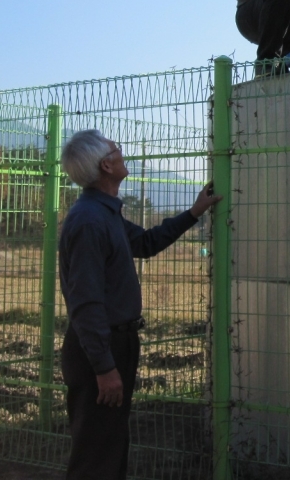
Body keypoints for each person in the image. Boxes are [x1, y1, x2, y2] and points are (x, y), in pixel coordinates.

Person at [58, 129, 222, 480]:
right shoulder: (89, 221)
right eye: (117, 150)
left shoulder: (105, 213)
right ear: (106, 164)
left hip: (115, 341)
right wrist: (104, 368)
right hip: (99, 348)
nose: (122, 153)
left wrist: (194, 212)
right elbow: (85, 303)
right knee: (95, 454)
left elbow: (146, 243)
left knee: (109, 443)